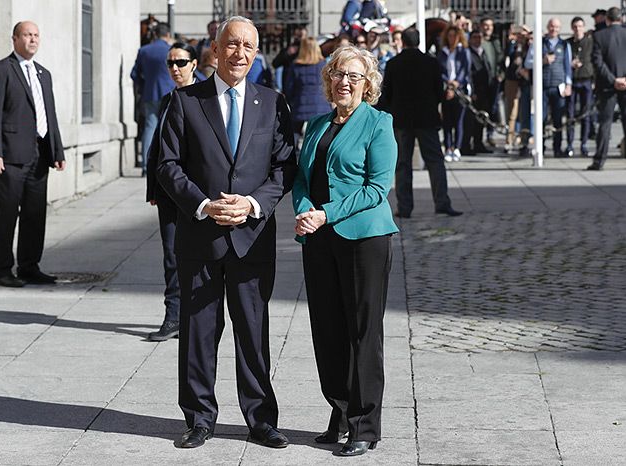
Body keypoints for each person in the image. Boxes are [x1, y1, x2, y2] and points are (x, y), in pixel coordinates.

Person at [156, 16, 296, 449]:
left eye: (248, 47)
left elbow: (284, 166)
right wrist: (202, 204)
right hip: (201, 236)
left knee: (252, 331)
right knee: (199, 331)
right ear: (214, 51)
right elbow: (166, 165)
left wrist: (252, 205)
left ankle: (260, 419)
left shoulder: (272, 102)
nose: (239, 54)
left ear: (256, 55)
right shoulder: (184, 101)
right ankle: (199, 417)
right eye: (231, 45)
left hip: (251, 237)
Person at [292, 44, 396, 457]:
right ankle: (340, 411)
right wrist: (304, 211)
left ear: (367, 84)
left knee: (362, 333)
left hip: (364, 239)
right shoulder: (316, 125)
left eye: (354, 76)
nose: (345, 82)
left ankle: (366, 425)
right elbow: (301, 179)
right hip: (318, 239)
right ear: (328, 79)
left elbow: (377, 188)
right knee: (328, 330)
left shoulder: (378, 123)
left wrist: (325, 213)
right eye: (338, 74)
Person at [0, 21, 65, 288]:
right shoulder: (0, 70)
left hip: (40, 155)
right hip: (10, 156)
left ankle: (30, 266)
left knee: (35, 214)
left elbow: (49, 114)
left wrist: (57, 150)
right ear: (15, 39)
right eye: (27, 35)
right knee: (7, 214)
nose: (33, 39)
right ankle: (2, 269)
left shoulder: (44, 73)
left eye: (36, 35)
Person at [145, 43, 203, 342]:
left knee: (199, 256)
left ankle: (197, 316)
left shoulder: (206, 97)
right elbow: (158, 148)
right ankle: (174, 315)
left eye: (181, 62)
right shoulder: (168, 98)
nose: (175, 68)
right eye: (170, 63)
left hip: (198, 194)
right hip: (169, 192)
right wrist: (153, 188)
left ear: (194, 64)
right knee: (171, 255)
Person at [379, 28, 462, 219]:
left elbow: (387, 95)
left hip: (402, 120)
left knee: (402, 164)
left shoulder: (394, 64)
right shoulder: (431, 62)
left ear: (404, 42)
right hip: (426, 119)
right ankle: (442, 202)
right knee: (435, 162)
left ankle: (405, 207)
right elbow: (439, 92)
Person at [131, 22, 174, 175]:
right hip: (170, 93)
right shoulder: (171, 50)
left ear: (155, 34)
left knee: (149, 128)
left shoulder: (144, 50)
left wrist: (144, 86)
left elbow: (134, 74)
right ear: (168, 35)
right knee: (170, 129)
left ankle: (145, 166)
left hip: (150, 94)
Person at [588, 7, 626, 170]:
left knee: (605, 123)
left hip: (607, 86)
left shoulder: (598, 36)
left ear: (607, 19)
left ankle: (599, 160)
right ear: (621, 19)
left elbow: (597, 62)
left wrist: (613, 80)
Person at [283, 37, 332, 143]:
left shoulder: (295, 66)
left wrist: (293, 103)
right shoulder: (324, 66)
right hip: (321, 107)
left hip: (300, 106)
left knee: (292, 138)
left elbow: (289, 89)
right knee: (321, 139)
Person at [437, 25, 471, 162]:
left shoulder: (463, 51)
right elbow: (440, 70)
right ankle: (448, 147)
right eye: (450, 36)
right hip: (446, 88)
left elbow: (465, 69)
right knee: (447, 121)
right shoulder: (443, 52)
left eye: (454, 36)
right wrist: (448, 82)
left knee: (458, 120)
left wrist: (458, 82)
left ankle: (457, 147)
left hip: (460, 89)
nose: (452, 38)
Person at [541, 18, 573, 157]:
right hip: (543, 85)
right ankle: (540, 146)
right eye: (552, 26)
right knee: (541, 118)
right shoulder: (540, 43)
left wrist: (568, 84)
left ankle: (557, 147)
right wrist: (543, 61)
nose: (554, 29)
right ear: (548, 27)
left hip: (558, 85)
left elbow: (567, 65)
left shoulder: (564, 45)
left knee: (558, 118)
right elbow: (530, 62)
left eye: (557, 27)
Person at [566, 16, 594, 157]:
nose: (578, 29)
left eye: (580, 26)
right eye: (575, 27)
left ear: (583, 27)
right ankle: (570, 144)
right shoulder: (568, 43)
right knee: (570, 114)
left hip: (586, 80)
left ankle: (583, 143)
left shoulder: (590, 43)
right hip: (572, 81)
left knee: (585, 114)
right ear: (572, 28)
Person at [463, 29, 494, 154]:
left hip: (485, 91)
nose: (477, 40)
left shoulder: (483, 52)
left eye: (479, 37)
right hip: (475, 92)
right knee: (470, 120)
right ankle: (466, 145)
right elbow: (469, 73)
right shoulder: (468, 53)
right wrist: (472, 91)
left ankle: (478, 143)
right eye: (475, 37)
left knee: (481, 120)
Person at [480, 17, 504, 147]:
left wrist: (501, 75)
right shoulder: (478, 41)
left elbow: (501, 60)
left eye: (490, 25)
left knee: (493, 109)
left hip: (494, 81)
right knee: (481, 109)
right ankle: (478, 137)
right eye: (485, 25)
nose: (488, 28)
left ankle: (490, 134)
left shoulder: (496, 42)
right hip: (481, 82)